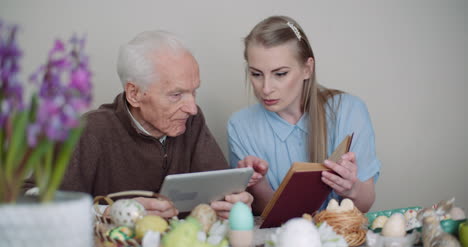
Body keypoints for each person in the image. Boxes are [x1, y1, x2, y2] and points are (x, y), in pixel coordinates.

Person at [48, 30, 251, 218]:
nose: (192, 108)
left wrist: (234, 203)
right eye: (176, 94)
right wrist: (113, 212)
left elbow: (221, 193)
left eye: (194, 91)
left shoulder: (191, 121)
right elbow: (32, 199)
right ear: (134, 94)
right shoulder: (88, 131)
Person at [228, 16, 381, 215]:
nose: (266, 88)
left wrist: (352, 188)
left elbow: (365, 204)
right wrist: (258, 185)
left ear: (307, 69)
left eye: (280, 74)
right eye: (256, 74)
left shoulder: (349, 111)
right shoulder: (240, 126)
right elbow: (264, 217)